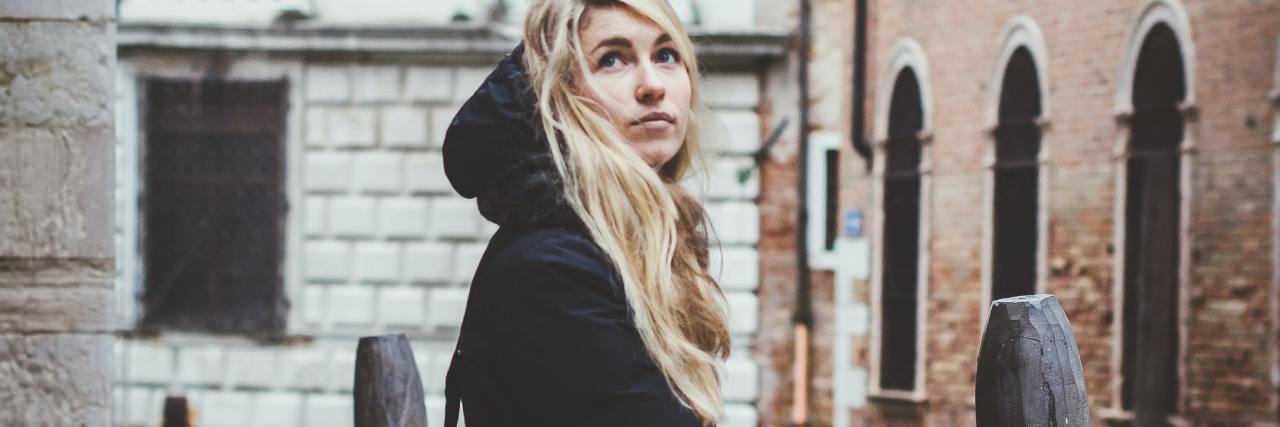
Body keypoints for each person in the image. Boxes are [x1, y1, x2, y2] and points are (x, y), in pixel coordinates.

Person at [440, 0, 731, 425]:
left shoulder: (637, 244)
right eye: (612, 60)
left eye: (667, 55)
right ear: (562, 94)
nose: (652, 85)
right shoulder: (555, 270)